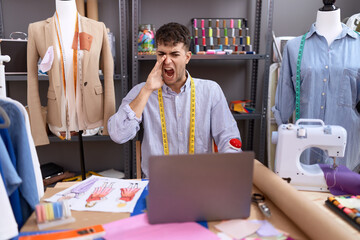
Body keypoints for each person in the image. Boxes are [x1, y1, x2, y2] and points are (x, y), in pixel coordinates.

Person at [108, 22, 241, 177]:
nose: (167, 61)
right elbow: (118, 135)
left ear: (187, 57)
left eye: (174, 54)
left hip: (199, 181)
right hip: (156, 183)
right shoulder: (141, 91)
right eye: (161, 54)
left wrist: (227, 172)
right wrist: (147, 90)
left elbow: (229, 138)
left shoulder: (211, 91)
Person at [272, 1, 360, 172]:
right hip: (305, 152)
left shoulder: (358, 46)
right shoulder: (294, 48)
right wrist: (284, 138)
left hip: (348, 152)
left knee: (345, 198)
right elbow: (283, 107)